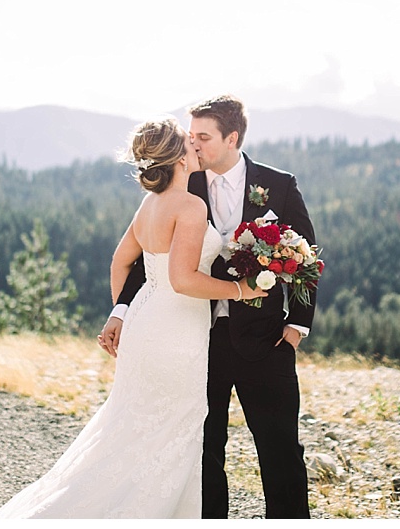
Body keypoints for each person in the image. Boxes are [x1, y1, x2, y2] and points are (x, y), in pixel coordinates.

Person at [0, 117, 266, 519]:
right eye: (188, 143)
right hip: (176, 335)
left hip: (145, 324)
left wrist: (122, 310)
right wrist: (242, 291)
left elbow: (120, 262)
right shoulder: (190, 205)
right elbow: (184, 279)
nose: (195, 146)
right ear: (177, 157)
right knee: (174, 426)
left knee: (133, 426)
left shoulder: (149, 205)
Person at [101, 95, 319, 519]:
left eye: (203, 137)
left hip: (267, 337)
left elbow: (306, 257)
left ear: (231, 137)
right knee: (202, 451)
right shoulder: (182, 184)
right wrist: (121, 310)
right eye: (191, 137)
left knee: (280, 451)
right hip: (197, 340)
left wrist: (297, 328)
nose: (194, 145)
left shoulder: (278, 185)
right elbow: (147, 260)